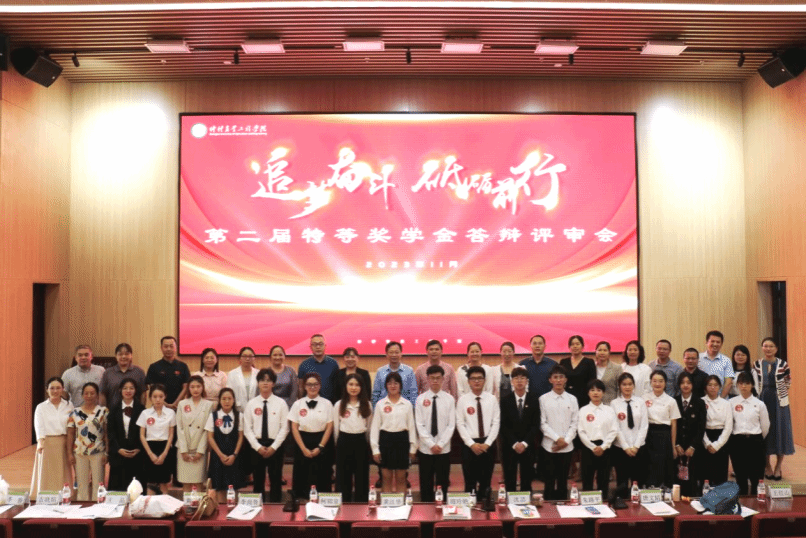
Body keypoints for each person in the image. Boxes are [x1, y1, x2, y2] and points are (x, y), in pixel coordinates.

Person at [244, 368, 289, 502]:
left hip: (275, 446)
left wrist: (273, 447)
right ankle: (258, 509)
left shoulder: (281, 403)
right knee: (258, 481)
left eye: (268, 380)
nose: (265, 383)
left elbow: (285, 428)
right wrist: (257, 447)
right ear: (258, 383)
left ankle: (275, 509)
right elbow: (247, 429)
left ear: (273, 384)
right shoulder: (251, 404)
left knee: (276, 480)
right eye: (262, 380)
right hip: (256, 446)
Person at [456, 366, 500, 501]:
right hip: (469, 445)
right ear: (468, 381)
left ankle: (486, 509)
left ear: (485, 380)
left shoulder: (492, 399)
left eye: (480, 378)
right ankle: (470, 510)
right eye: (473, 379)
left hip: (488, 444)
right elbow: (460, 423)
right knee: (470, 482)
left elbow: (496, 422)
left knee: (486, 481)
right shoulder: (463, 400)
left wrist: (487, 443)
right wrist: (471, 444)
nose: (476, 381)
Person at [754, 337, 794, 481]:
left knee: (780, 432)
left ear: (776, 348)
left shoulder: (783, 364)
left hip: (779, 402)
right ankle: (767, 466)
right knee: (765, 432)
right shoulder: (757, 364)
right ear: (762, 348)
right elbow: (755, 381)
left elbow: (788, 381)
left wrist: (780, 393)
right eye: (765, 346)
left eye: (771, 346)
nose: (768, 349)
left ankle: (778, 467)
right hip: (762, 399)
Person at [289, 372, 334, 499]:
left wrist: (320, 447)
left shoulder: (327, 404)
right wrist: (303, 448)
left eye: (315, 384)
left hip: (321, 441)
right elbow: (294, 427)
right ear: (304, 386)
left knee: (322, 474)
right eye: (309, 384)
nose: (312, 387)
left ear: (320, 386)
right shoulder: (298, 404)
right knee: (302, 475)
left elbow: (329, 426)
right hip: (302, 442)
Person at [371, 372, 417, 493]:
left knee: (401, 478)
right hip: (385, 441)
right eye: (390, 383)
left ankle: (401, 504)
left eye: (396, 383)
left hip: (402, 441)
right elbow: (375, 428)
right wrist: (375, 450)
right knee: (386, 478)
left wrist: (413, 448)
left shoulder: (407, 404)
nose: (393, 386)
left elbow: (411, 427)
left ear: (400, 385)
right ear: (386, 385)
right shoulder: (380, 404)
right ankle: (387, 504)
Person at [415, 365, 455, 501]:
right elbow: (419, 425)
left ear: (443, 379)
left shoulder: (449, 399)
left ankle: (442, 508)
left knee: (442, 484)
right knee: (425, 483)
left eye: (438, 378)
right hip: (426, 449)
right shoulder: (420, 399)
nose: (435, 381)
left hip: (444, 449)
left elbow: (451, 425)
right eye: (432, 378)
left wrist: (441, 444)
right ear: (427, 379)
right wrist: (431, 444)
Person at [539, 365, 578, 501]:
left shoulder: (572, 399)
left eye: (561, 377)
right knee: (549, 481)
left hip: (567, 447)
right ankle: (548, 509)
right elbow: (542, 423)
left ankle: (564, 508)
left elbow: (575, 423)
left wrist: (565, 441)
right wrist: (557, 439)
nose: (558, 380)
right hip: (549, 446)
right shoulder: (543, 399)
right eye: (555, 377)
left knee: (563, 481)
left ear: (566, 379)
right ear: (550, 380)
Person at [333, 373, 372, 502]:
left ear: (361, 387)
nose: (353, 388)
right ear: (345, 386)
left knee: (362, 476)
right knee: (343, 477)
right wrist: (338, 444)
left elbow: (369, 427)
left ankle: (362, 504)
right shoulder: (339, 405)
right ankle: (344, 504)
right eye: (350, 384)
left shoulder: (367, 404)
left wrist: (366, 443)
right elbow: (336, 429)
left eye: (357, 385)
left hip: (361, 442)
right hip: (344, 442)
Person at [31, 377, 73, 496]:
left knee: (63, 471)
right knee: (47, 472)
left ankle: (65, 496)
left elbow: (72, 425)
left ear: (63, 389)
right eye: (52, 388)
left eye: (58, 388)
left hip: (64, 442)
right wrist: (40, 442)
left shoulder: (69, 405)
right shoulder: (41, 407)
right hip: (47, 443)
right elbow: (39, 425)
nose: (55, 391)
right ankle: (45, 496)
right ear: (47, 390)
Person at [730, 372, 770, 495]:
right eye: (741, 383)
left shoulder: (759, 404)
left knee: (756, 477)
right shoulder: (731, 403)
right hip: (737, 442)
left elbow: (765, 426)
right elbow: (729, 424)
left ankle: (756, 503)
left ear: (752, 385)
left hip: (755, 442)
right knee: (740, 477)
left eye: (747, 383)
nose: (743, 386)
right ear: (737, 385)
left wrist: (756, 438)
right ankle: (742, 504)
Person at [500, 366, 539, 492]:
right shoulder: (505, 400)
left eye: (522, 378)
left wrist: (525, 443)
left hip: (528, 445)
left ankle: (526, 501)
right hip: (510, 445)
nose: (519, 381)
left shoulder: (534, 399)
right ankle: (509, 501)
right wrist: (514, 443)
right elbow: (503, 425)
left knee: (527, 479)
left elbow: (536, 424)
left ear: (527, 381)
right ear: (512, 381)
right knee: (509, 478)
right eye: (516, 378)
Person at [67, 382, 108, 501]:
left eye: (92, 393)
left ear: (97, 395)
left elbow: (106, 433)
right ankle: (82, 506)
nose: (89, 396)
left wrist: (107, 453)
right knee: (81, 484)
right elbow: (70, 434)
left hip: (98, 451)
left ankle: (98, 507)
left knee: (99, 484)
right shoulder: (75, 412)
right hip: (80, 452)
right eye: (86, 393)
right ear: (82, 395)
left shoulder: (103, 411)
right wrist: (69, 454)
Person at [577, 379, 618, 499]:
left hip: (605, 448)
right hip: (588, 447)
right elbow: (581, 431)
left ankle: (604, 502)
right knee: (587, 479)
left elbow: (614, 430)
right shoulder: (583, 410)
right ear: (588, 393)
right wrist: (593, 447)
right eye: (592, 390)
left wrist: (603, 447)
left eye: (599, 390)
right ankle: (587, 503)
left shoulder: (609, 410)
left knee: (604, 480)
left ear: (603, 393)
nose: (596, 393)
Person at [206, 388, 246, 504]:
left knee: (234, 488)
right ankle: (221, 512)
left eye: (229, 398)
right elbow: (210, 437)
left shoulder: (239, 416)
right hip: (218, 457)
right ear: (219, 400)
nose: (227, 401)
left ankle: (233, 511)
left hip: (234, 456)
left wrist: (234, 455)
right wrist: (221, 455)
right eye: (224, 399)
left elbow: (240, 437)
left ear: (233, 400)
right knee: (219, 487)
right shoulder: (213, 416)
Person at [610, 372, 648, 496]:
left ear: (634, 386)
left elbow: (644, 426)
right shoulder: (614, 403)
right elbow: (616, 427)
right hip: (621, 448)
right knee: (622, 481)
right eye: (624, 384)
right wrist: (626, 447)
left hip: (639, 448)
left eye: (630, 384)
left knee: (638, 481)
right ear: (619, 386)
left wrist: (636, 446)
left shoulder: (640, 402)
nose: (627, 387)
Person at [107, 377, 145, 492]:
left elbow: (145, 432)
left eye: (131, 388)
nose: (128, 391)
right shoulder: (113, 409)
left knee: (136, 489)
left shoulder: (142, 409)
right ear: (120, 390)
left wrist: (138, 448)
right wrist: (118, 449)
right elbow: (110, 432)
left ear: (136, 390)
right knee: (118, 489)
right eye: (125, 388)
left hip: (137, 454)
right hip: (119, 454)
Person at [643, 371, 680, 488]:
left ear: (665, 383)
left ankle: (664, 491)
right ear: (650, 382)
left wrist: (673, 446)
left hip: (664, 435)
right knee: (649, 464)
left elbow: (674, 425)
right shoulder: (644, 398)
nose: (657, 384)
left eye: (661, 381)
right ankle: (650, 489)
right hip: (648, 434)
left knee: (663, 465)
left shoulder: (671, 401)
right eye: (654, 381)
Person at [137, 383, 177, 493]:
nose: (158, 399)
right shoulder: (145, 413)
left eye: (161, 396)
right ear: (150, 398)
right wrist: (150, 454)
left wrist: (164, 454)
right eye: (155, 397)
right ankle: (150, 503)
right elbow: (141, 435)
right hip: (149, 448)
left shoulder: (171, 413)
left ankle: (165, 503)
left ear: (165, 397)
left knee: (164, 482)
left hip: (165, 447)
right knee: (150, 482)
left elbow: (171, 435)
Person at [176, 375, 213, 491]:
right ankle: (186, 504)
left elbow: (207, 429)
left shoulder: (208, 405)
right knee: (186, 482)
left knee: (198, 483)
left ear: (203, 388)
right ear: (188, 388)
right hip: (184, 448)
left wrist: (200, 451)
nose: (195, 389)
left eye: (198, 386)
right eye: (192, 387)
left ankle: (199, 504)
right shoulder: (182, 404)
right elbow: (180, 428)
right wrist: (183, 450)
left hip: (199, 448)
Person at [674, 372, 706, 496]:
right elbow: (673, 426)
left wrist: (692, 446)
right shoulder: (674, 401)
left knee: (692, 480)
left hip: (693, 449)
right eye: (682, 383)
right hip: (678, 448)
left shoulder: (700, 402)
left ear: (693, 385)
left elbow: (701, 427)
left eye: (688, 382)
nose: (685, 385)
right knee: (677, 480)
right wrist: (676, 444)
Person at [701, 375, 733, 487]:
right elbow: (699, 426)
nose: (712, 387)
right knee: (705, 473)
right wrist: (707, 444)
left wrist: (717, 445)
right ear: (705, 387)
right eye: (710, 385)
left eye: (715, 385)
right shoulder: (701, 401)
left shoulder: (726, 403)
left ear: (719, 387)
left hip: (721, 439)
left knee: (720, 474)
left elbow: (728, 427)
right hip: (705, 437)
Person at [145, 336, 190, 410]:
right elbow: (152, 388)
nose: (168, 349)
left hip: (179, 406)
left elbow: (185, 387)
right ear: (161, 348)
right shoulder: (153, 367)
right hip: (159, 406)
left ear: (176, 348)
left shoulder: (183, 366)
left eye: (171, 346)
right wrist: (164, 404)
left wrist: (175, 403)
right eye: (166, 346)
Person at [100, 343, 147, 408]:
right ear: (116, 356)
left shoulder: (139, 371)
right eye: (120, 354)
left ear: (131, 355)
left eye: (127, 354)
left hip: (135, 411)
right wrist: (104, 410)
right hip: (113, 411)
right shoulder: (108, 372)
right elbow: (102, 393)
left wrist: (142, 410)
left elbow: (143, 393)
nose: (123, 356)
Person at [371, 341, 417, 407]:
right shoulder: (380, 371)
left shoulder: (409, 371)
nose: (394, 355)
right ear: (386, 354)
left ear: (401, 354)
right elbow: (376, 393)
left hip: (404, 407)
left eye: (396, 352)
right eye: (391, 352)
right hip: (384, 408)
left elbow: (413, 393)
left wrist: (412, 409)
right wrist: (375, 409)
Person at [298, 334, 340, 402]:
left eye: (320, 344)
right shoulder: (304, 365)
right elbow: (300, 388)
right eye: (315, 344)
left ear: (325, 346)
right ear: (310, 347)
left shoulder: (333, 363)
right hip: (309, 403)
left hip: (330, 403)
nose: (318, 347)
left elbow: (337, 386)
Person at [560, 335, 596, 407]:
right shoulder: (563, 362)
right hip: (566, 398)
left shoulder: (589, 362)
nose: (575, 346)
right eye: (572, 344)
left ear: (582, 346)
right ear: (569, 347)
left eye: (577, 344)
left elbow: (592, 382)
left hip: (584, 398)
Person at [698, 330, 734, 398]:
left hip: (721, 399)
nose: (715, 344)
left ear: (721, 344)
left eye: (718, 342)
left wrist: (720, 400)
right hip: (701, 399)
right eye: (712, 341)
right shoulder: (698, 358)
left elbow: (728, 382)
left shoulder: (726, 360)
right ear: (706, 342)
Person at [519, 335, 556, 399]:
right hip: (528, 400)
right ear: (530, 346)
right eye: (534, 343)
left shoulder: (553, 364)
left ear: (545, 346)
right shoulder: (523, 364)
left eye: (540, 343)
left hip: (548, 400)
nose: (537, 346)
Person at [228, 346, 258, 413]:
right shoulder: (232, 374)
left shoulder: (258, 373)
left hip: (255, 409)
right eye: (244, 356)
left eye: (250, 356)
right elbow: (229, 394)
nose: (247, 359)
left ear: (254, 358)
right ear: (240, 358)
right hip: (237, 409)